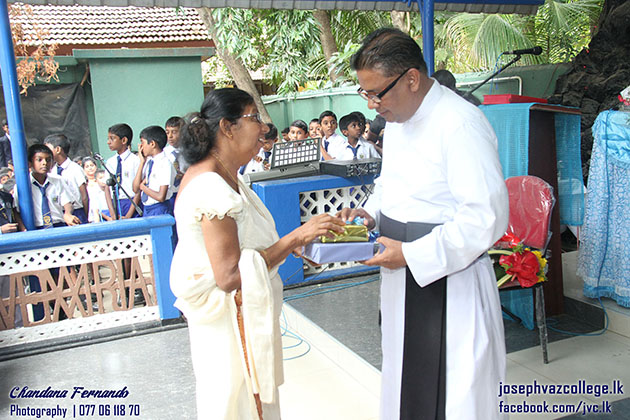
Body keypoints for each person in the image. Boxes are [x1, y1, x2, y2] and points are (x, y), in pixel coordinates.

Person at [339, 28, 509, 420]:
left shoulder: (459, 123)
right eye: (365, 94)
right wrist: (371, 212)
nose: (372, 104)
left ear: (411, 79)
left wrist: (415, 254)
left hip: (450, 280)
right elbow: (391, 185)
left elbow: (486, 216)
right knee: (405, 385)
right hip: (404, 277)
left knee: (455, 396)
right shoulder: (398, 121)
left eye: (376, 92)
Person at [170, 88, 344, 420]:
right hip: (228, 323)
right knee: (237, 404)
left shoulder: (228, 178)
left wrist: (298, 246)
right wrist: (294, 239)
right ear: (227, 127)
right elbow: (229, 276)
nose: (264, 128)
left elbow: (249, 244)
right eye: (254, 118)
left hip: (239, 317)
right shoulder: (210, 187)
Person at [15, 144, 80, 229]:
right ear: (29, 163)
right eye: (39, 160)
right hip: (36, 227)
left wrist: (67, 214)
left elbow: (67, 202)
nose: (44, 163)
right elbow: (16, 210)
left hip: (58, 225)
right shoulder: (23, 186)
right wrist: (23, 229)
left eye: (48, 160)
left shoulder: (58, 180)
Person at [44, 134, 90, 224]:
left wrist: (85, 215)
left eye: (48, 149)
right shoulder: (52, 170)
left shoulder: (75, 169)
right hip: (60, 214)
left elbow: (84, 196)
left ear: (58, 149)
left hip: (77, 211)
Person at [133, 125, 175, 216]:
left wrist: (143, 187)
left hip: (159, 208)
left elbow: (161, 197)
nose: (140, 147)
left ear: (152, 144)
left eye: (142, 143)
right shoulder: (149, 162)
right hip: (147, 208)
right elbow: (135, 188)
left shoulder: (164, 164)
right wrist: (142, 163)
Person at [105, 123, 141, 219]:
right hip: (115, 203)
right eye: (108, 139)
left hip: (131, 203)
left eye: (112, 138)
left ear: (124, 140)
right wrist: (112, 214)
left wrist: (129, 215)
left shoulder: (136, 161)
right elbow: (107, 189)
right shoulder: (110, 162)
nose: (108, 142)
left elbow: (138, 190)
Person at [164, 116, 187, 209]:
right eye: (167, 132)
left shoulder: (189, 152)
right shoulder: (163, 154)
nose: (170, 136)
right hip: (169, 195)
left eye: (174, 132)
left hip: (186, 193)